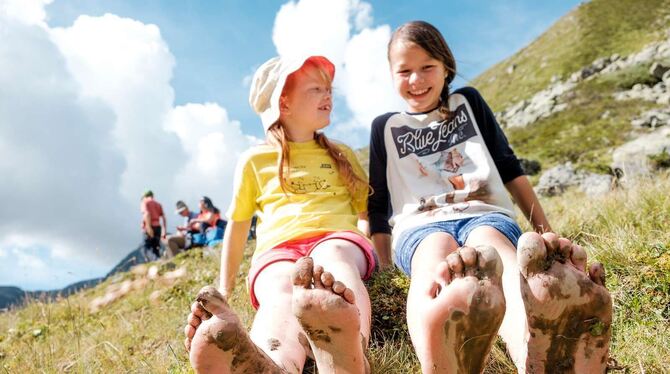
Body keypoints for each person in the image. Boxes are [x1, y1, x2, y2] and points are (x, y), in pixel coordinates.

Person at [368, 20, 613, 373]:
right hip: (421, 224)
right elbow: (377, 206)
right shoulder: (386, 128)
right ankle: (437, 361)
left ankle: (533, 353)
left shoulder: (468, 103)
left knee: (499, 251)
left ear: (446, 67)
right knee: (432, 260)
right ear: (391, 75)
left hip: (485, 210)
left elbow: (508, 166)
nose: (416, 80)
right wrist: (385, 265)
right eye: (404, 71)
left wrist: (544, 231)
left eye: (427, 67)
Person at [184, 55, 376, 373]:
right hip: (278, 250)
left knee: (337, 260)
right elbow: (238, 226)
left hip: (335, 237)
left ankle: (351, 354)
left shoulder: (341, 154)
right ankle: (274, 363)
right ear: (283, 104)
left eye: (330, 89)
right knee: (278, 291)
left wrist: (366, 240)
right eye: (316, 89)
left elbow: (365, 211)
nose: (328, 96)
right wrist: (225, 287)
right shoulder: (254, 161)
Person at [140, 190, 167, 261]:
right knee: (155, 248)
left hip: (149, 226)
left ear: (145, 196)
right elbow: (164, 217)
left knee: (146, 248)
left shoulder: (144, 202)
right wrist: (164, 231)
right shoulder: (158, 204)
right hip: (158, 227)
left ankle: (157, 261)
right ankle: (160, 263)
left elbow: (147, 214)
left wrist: (148, 227)